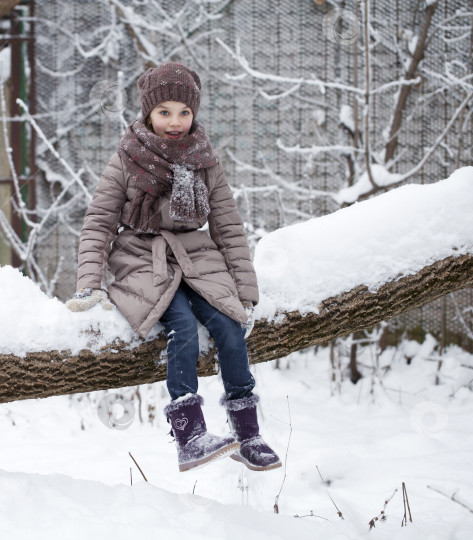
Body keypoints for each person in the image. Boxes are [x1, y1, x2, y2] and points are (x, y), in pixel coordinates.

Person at [66, 62, 281, 473]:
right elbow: (99, 223)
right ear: (148, 113)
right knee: (181, 327)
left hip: (197, 257)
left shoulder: (205, 162)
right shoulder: (127, 159)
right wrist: (89, 284)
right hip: (141, 257)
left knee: (229, 326)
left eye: (184, 112)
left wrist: (246, 293)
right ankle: (190, 435)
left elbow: (229, 228)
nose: (175, 121)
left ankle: (248, 434)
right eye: (164, 111)